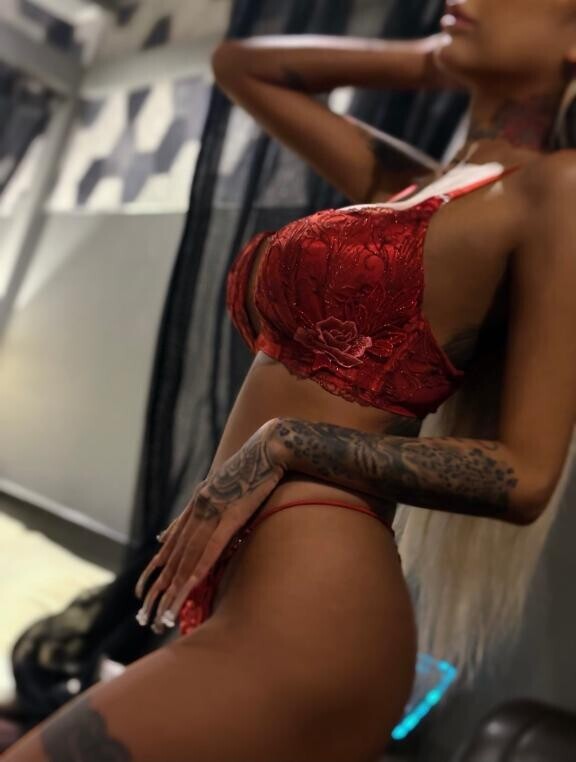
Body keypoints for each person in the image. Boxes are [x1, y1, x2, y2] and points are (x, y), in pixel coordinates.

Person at [5, 1, 576, 759]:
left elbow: (526, 475)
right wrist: (431, 57)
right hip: (247, 594)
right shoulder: (414, 187)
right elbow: (243, 66)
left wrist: (291, 441)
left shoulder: (553, 189)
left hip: (315, 612)